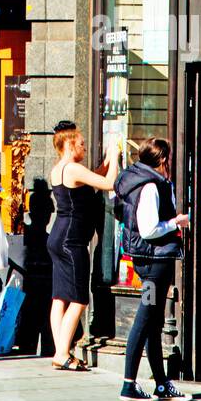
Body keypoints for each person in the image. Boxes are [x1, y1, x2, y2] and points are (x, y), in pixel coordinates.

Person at [114, 137, 191, 401]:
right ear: (162, 160)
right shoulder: (149, 186)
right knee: (145, 319)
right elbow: (148, 228)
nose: (171, 163)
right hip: (153, 262)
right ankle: (128, 384)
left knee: (154, 321)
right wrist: (176, 222)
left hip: (149, 260)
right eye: (168, 158)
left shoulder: (142, 180)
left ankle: (161, 383)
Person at [48, 124, 119, 371]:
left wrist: (107, 162)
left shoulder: (59, 169)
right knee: (78, 299)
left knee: (59, 298)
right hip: (72, 241)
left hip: (58, 237)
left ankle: (60, 350)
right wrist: (116, 156)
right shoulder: (74, 168)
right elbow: (109, 184)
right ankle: (62, 353)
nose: (84, 147)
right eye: (80, 143)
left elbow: (94, 179)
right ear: (68, 145)